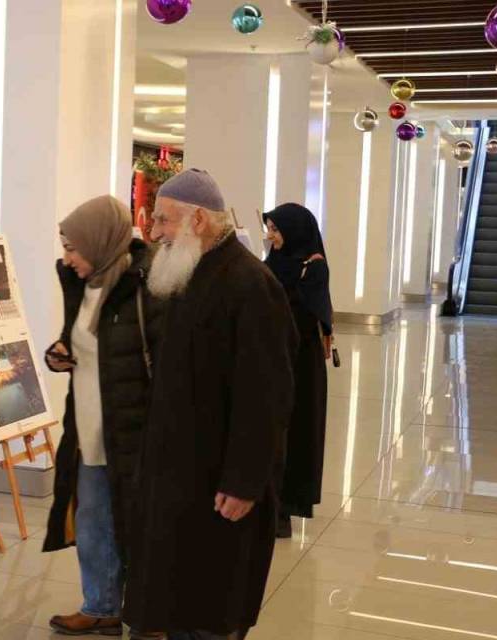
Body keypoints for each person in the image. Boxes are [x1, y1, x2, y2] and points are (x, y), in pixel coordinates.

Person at [123, 169, 297, 640]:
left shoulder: (249, 284)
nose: (154, 231)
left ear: (198, 219)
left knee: (210, 607)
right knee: (176, 600)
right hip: (178, 474)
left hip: (221, 482)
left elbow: (267, 396)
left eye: (163, 220)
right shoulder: (190, 271)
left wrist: (244, 482)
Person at [42, 195, 166, 637]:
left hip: (134, 430)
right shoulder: (82, 285)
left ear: (98, 240)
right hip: (89, 427)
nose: (67, 257)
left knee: (140, 524)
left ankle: (149, 613)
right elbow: (77, 342)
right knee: (94, 520)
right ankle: (100, 605)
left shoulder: (146, 283)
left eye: (72, 247)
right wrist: (58, 353)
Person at [263, 203, 333, 538]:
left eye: (275, 230)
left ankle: (284, 510)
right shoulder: (273, 263)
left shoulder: (313, 268)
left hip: (301, 367)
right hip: (275, 359)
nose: (270, 236)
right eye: (270, 229)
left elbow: (308, 316)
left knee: (294, 433)